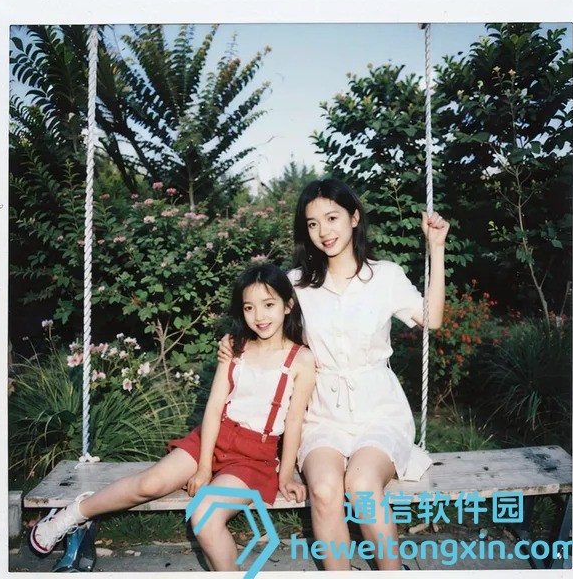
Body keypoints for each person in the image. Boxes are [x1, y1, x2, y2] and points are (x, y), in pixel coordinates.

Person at [220, 179, 449, 571]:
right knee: (325, 489)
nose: (323, 231)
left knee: (361, 485)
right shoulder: (295, 285)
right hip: (322, 412)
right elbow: (261, 321)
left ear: (354, 217)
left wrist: (437, 248)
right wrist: (233, 343)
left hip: (379, 410)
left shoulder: (385, 276)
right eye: (312, 224)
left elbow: (433, 319)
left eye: (332, 218)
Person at [30, 263, 316, 572]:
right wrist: (204, 467)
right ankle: (73, 514)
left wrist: (286, 476)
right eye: (249, 307)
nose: (259, 316)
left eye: (269, 305)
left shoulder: (301, 359)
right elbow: (214, 408)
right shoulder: (235, 347)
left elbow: (294, 422)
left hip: (254, 456)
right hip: (215, 436)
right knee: (150, 483)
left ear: (288, 305)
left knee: (205, 514)